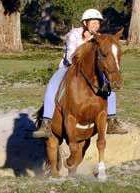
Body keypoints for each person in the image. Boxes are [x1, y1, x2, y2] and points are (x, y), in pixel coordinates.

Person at [33, 9, 127, 138]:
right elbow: (72, 56)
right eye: (93, 23)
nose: (96, 25)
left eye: (98, 23)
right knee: (52, 85)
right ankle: (46, 122)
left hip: (91, 71)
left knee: (108, 87)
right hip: (69, 67)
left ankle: (111, 121)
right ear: (85, 23)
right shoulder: (74, 34)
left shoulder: (98, 38)